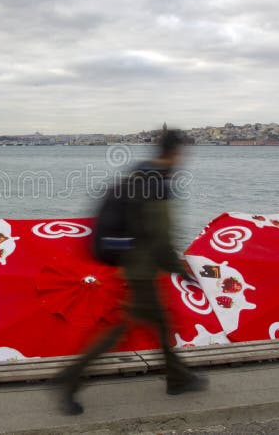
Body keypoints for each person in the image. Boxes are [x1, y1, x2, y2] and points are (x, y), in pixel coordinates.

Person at [57, 129, 208, 415]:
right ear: (176, 152)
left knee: (162, 325)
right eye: (183, 152)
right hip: (142, 269)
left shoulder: (140, 174)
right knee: (123, 330)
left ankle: (178, 378)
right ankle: (70, 378)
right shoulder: (157, 182)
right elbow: (159, 234)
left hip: (136, 264)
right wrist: (181, 269)